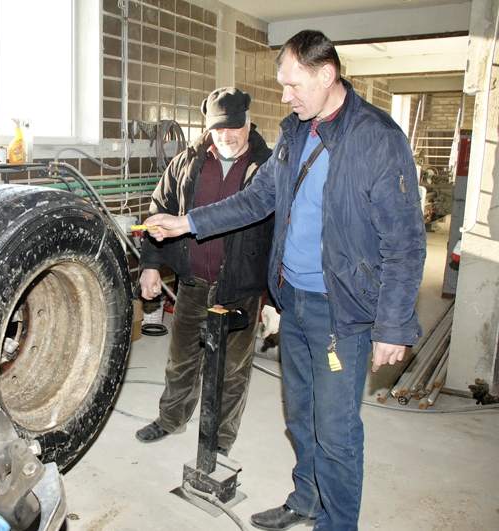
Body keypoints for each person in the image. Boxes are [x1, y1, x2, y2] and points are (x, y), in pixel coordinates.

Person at [144, 30, 426, 531]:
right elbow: (256, 201)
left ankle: (335, 524)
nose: (284, 96)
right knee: (300, 417)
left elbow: (404, 241)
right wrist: (186, 223)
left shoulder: (376, 138)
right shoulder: (297, 131)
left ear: (326, 75)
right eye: (282, 85)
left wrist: (394, 323)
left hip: (342, 309)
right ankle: (305, 501)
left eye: (293, 85)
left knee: (335, 431)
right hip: (293, 300)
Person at [134, 87, 279, 457]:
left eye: (233, 127)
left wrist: (276, 297)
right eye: (218, 129)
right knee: (181, 359)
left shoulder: (269, 166)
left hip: (241, 287)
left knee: (232, 370)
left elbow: (284, 233)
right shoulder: (188, 161)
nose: (226, 136)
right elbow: (159, 210)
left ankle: (220, 436)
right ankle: (171, 418)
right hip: (194, 283)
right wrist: (151, 265)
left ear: (248, 122)